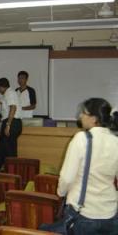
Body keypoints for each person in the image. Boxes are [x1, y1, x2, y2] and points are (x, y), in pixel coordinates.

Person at [43, 98, 118, 234]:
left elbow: (67, 178)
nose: (80, 116)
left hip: (84, 212)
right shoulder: (115, 141)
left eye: (84, 113)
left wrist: (61, 193)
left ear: (94, 118)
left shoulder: (82, 138)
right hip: (111, 213)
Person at [0, 78, 22, 172]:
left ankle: (12, 173)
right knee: (1, 149)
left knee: (9, 150)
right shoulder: (7, 94)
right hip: (12, 122)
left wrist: (8, 125)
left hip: (12, 123)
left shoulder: (10, 93)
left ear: (1, 87)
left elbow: (13, 107)